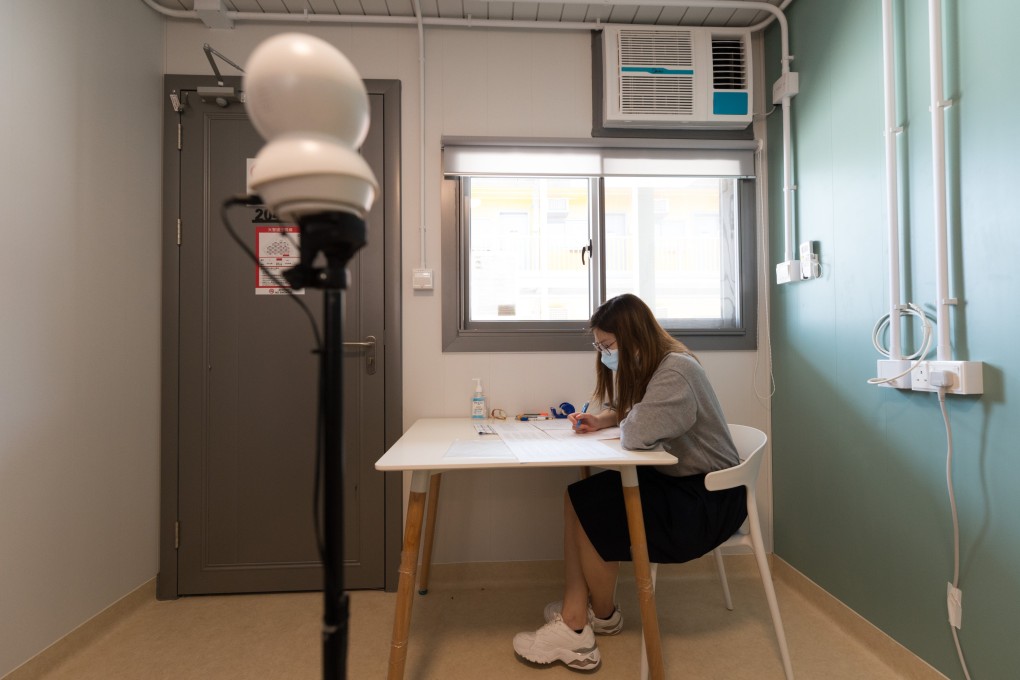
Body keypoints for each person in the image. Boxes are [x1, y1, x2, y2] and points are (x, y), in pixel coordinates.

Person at [512, 293, 748, 672]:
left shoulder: (676, 372)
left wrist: (622, 421)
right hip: (688, 485)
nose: (604, 354)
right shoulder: (663, 366)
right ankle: (588, 614)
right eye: (599, 346)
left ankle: (582, 625)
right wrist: (606, 419)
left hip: (707, 504)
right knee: (579, 496)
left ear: (634, 338)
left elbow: (637, 432)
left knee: (593, 507)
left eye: (607, 346)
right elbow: (636, 414)